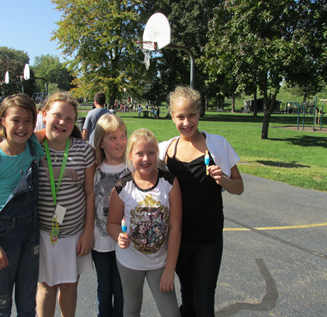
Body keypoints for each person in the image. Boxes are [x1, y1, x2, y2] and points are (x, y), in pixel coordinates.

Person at [158, 86, 244, 317]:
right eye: (180, 116)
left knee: (204, 303)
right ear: (172, 117)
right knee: (188, 299)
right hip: (178, 238)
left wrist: (223, 180)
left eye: (192, 115)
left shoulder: (217, 144)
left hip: (209, 237)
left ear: (199, 112)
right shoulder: (164, 150)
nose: (187, 122)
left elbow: (239, 187)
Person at [0, 93, 45, 317]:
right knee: (2, 303)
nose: (22, 127)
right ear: (2, 120)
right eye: (15, 120)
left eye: (28, 120)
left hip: (31, 233)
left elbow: (52, 132)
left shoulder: (33, 144)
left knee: (27, 303)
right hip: (3, 236)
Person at [107, 129, 182, 317]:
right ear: (130, 156)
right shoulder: (122, 187)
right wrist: (118, 236)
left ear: (157, 154)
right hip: (129, 263)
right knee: (131, 309)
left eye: (151, 153)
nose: (146, 158)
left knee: (171, 312)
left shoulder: (169, 182)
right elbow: (112, 223)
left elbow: (175, 228)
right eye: (139, 153)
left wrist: (170, 269)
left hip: (160, 263)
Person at [35, 92, 95, 317]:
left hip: (73, 234)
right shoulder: (33, 148)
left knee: (70, 287)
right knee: (46, 288)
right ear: (44, 114)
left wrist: (88, 232)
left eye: (69, 119)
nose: (63, 122)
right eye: (57, 116)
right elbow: (6, 149)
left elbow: (90, 193)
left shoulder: (84, 151)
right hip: (42, 233)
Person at [92, 114, 129, 317]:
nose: (119, 142)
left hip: (126, 242)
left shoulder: (133, 168)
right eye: (112, 138)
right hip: (101, 243)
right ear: (101, 143)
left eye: (122, 136)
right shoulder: (95, 171)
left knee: (122, 290)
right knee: (104, 288)